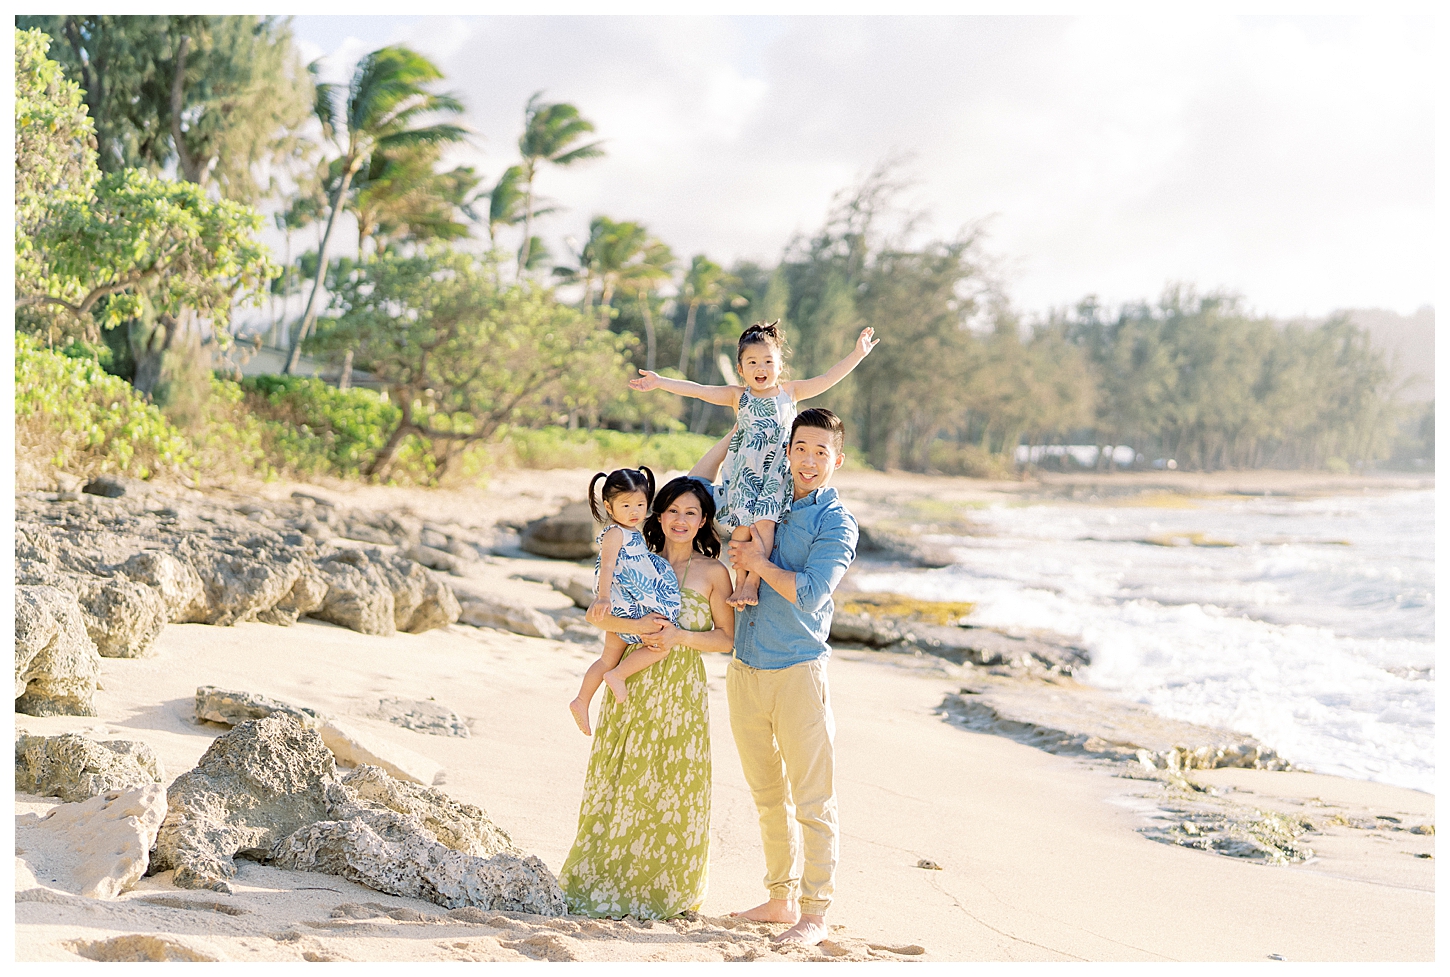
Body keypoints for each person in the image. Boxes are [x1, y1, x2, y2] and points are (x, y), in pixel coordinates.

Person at [558, 476, 737, 919]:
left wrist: (677, 637)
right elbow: (603, 618)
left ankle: (667, 886)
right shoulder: (640, 561)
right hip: (632, 685)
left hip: (682, 692)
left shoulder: (713, 573)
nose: (681, 519)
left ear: (703, 521)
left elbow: (725, 640)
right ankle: (608, 874)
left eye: (691, 513)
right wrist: (626, 622)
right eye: (673, 510)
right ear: (658, 514)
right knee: (625, 781)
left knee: (676, 785)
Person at [717, 407, 858, 947]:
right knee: (766, 793)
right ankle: (779, 898)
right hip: (745, 669)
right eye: (801, 447)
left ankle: (815, 912)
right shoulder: (764, 500)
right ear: (788, 449)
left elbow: (813, 592)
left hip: (798, 671)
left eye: (821, 452)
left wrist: (759, 561)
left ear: (836, 460)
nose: (808, 460)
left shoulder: (835, 522)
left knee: (813, 800)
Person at [629, 321, 877, 609]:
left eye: (768, 362)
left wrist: (857, 354)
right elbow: (699, 390)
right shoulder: (738, 397)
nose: (761, 368)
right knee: (742, 527)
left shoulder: (789, 393)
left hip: (775, 474)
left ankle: (752, 581)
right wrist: (660, 382)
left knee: (764, 524)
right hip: (743, 474)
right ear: (741, 369)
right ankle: (739, 580)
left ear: (780, 366)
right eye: (753, 362)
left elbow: (827, 377)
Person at [568, 467, 680, 736]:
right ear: (608, 506)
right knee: (660, 644)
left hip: (628, 602)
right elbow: (606, 566)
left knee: (608, 657)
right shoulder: (615, 533)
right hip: (622, 604)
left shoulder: (632, 534)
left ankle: (581, 701)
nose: (634, 511)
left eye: (640, 504)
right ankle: (617, 676)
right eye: (626, 505)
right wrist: (603, 597)